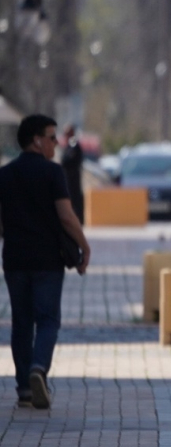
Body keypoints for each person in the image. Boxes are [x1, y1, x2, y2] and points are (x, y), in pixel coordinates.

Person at [0, 114, 90, 410]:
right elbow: (66, 215)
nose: (56, 143)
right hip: (47, 260)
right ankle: (38, 368)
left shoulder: (6, 174)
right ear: (37, 140)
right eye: (52, 138)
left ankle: (25, 389)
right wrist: (83, 245)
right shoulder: (52, 173)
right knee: (48, 319)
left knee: (21, 322)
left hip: (14, 259)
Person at [60, 125, 85, 223]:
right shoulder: (69, 145)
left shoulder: (74, 145)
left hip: (73, 179)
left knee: (75, 201)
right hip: (67, 179)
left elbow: (69, 161)